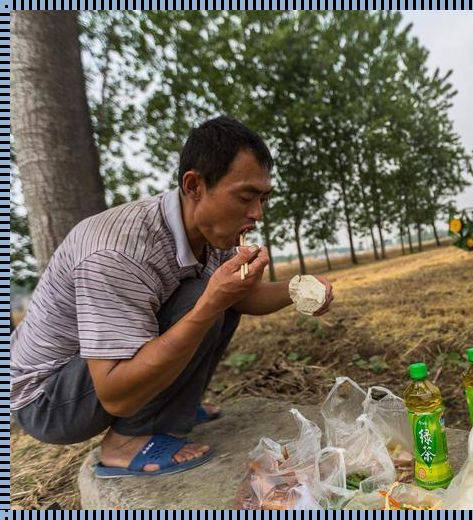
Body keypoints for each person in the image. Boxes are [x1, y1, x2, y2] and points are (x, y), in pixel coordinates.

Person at [10, 116, 333, 477]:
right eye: (245, 197)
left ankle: (170, 407)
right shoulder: (120, 251)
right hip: (50, 400)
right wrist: (210, 303)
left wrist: (297, 288)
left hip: (93, 377)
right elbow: (115, 395)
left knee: (212, 299)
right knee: (203, 299)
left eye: (263, 198)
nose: (257, 214)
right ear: (194, 185)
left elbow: (241, 298)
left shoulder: (210, 234)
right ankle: (125, 443)